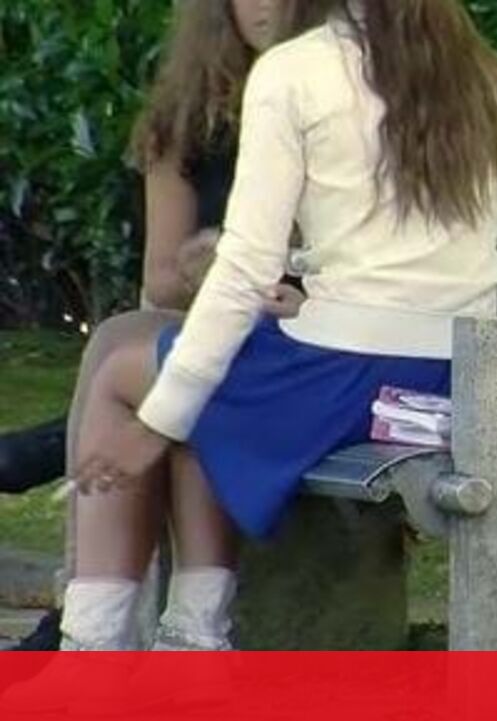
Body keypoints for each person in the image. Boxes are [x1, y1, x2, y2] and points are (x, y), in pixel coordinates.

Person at [59, 0, 497, 655]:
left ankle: (100, 652)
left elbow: (242, 270)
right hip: (453, 379)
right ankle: (187, 640)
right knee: (197, 373)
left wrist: (153, 427)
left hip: (345, 382)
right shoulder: (490, 79)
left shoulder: (293, 71)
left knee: (128, 373)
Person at [2, 0, 305, 653]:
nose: (268, 4)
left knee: (148, 362)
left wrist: (264, 270)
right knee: (132, 337)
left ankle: (86, 628)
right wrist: (209, 267)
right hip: (215, 327)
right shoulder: (189, 116)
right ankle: (168, 638)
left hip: (308, 330)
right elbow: (162, 278)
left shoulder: (339, 104)